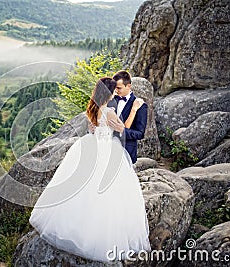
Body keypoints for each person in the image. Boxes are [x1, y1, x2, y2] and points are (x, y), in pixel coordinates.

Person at [29, 77, 151, 262]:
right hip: (107, 150)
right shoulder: (109, 112)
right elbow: (123, 128)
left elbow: (92, 130)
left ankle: (73, 226)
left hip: (91, 147)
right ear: (109, 93)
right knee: (108, 193)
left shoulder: (92, 108)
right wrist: (134, 109)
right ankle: (99, 237)